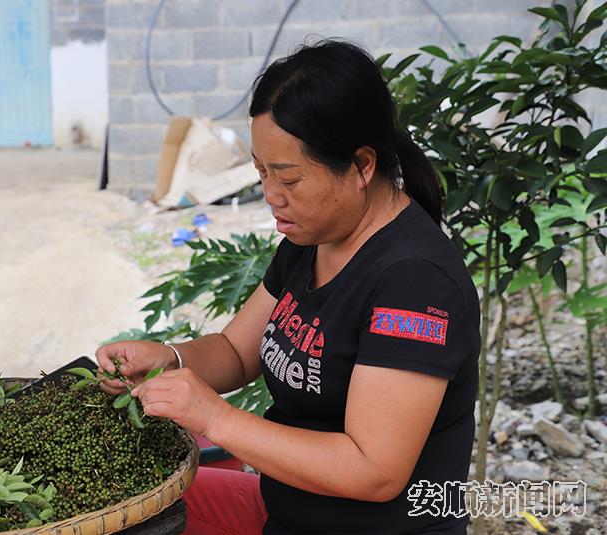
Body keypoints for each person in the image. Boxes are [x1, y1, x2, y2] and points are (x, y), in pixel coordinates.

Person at [96, 38, 480, 535]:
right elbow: (236, 350)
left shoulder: (416, 284)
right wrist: (169, 358)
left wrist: (216, 418)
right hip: (286, 512)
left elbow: (374, 470)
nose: (271, 196)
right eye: (261, 172)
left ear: (362, 165)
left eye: (289, 179)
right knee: (123, 511)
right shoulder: (313, 235)